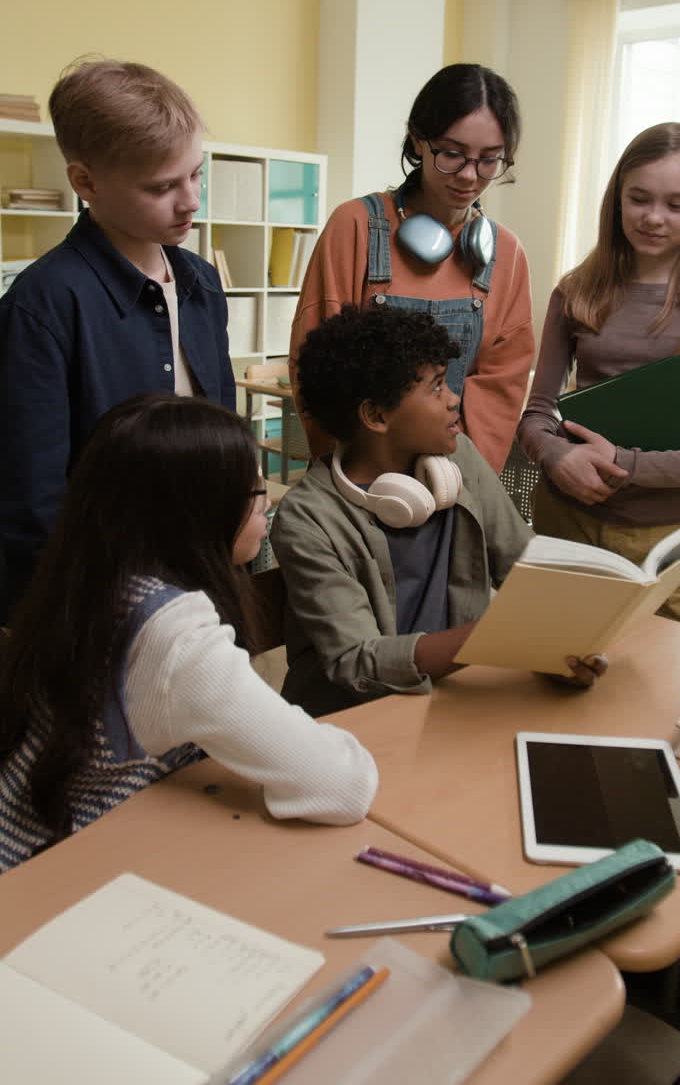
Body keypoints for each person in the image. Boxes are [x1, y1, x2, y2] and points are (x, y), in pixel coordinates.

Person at [0, 394, 378, 872]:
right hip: (47, 887)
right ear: (193, 509)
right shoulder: (173, 635)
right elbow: (341, 785)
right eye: (249, 487)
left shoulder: (97, 578)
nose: (265, 499)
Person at [271, 305, 603, 716]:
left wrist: (557, 650)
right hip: (353, 720)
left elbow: (524, 563)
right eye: (436, 388)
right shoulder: (308, 519)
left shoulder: (457, 458)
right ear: (376, 415)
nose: (454, 400)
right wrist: (496, 638)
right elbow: (356, 662)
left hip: (456, 698)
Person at [0, 58, 236, 622]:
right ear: (85, 182)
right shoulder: (42, 307)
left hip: (198, 574)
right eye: (162, 186)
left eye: (195, 174)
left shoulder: (201, 283)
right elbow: (33, 507)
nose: (191, 201)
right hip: (97, 602)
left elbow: (221, 427)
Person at [519, 122, 680, 631]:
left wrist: (624, 464)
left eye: (676, 205)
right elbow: (538, 412)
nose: (653, 218)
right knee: (560, 665)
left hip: (671, 533)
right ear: (617, 199)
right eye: (639, 199)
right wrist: (556, 454)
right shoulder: (576, 290)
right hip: (566, 520)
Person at [290, 63, 534, 474]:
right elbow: (315, 367)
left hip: (452, 475)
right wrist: (355, 476)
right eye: (452, 154)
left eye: (490, 160)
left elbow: (502, 387)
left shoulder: (505, 253)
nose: (470, 176)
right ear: (419, 140)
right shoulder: (355, 227)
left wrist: (456, 477)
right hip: (360, 476)